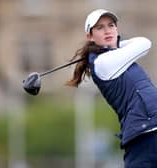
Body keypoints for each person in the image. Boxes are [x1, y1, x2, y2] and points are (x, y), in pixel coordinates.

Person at [66, 9, 157, 168]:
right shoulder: (103, 63)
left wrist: (112, 45)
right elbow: (144, 43)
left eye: (111, 25)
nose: (107, 30)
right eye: (100, 28)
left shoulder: (119, 56)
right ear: (90, 36)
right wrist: (112, 46)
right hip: (144, 137)